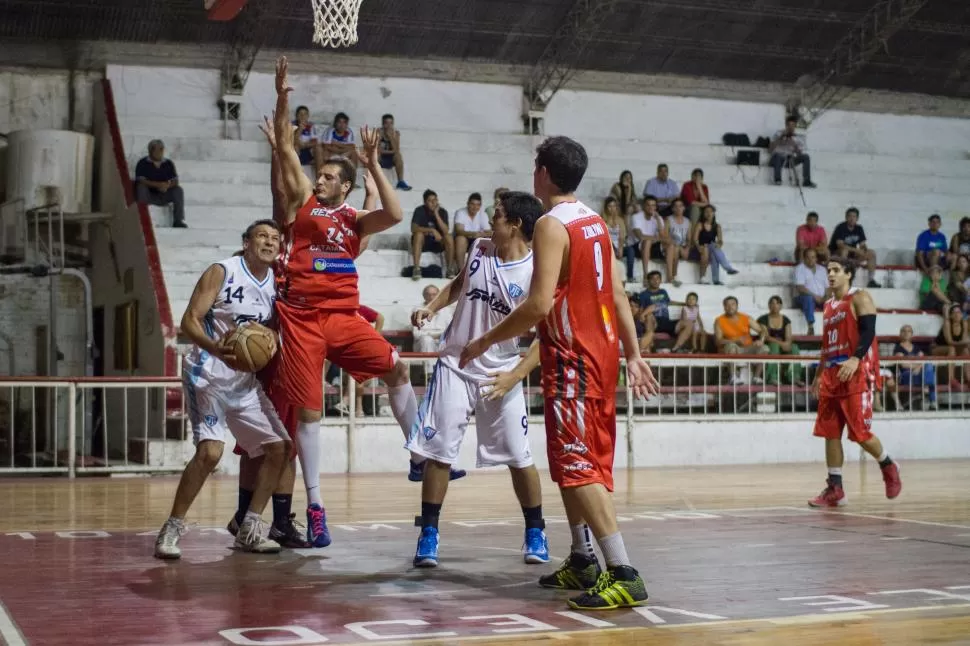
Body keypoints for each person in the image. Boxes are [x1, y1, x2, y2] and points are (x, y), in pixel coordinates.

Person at [460, 136, 660, 610]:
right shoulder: (595, 221)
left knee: (577, 465)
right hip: (599, 353)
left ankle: (623, 571)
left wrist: (485, 340)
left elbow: (538, 304)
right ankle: (582, 557)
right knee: (569, 464)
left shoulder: (551, 225)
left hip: (574, 357)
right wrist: (633, 353)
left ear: (544, 174)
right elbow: (617, 292)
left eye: (535, 167)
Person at [271, 57, 455, 548]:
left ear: (345, 186)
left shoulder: (354, 219)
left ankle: (417, 453)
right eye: (320, 175)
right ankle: (315, 507)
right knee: (311, 417)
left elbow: (394, 213)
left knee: (395, 370)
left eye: (329, 177)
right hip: (303, 320)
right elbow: (287, 149)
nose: (321, 180)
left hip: (344, 318)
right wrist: (283, 97)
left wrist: (374, 162)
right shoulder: (301, 206)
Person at [408, 191, 548, 568]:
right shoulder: (480, 248)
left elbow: (545, 338)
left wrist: (515, 376)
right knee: (439, 453)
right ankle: (429, 533)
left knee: (520, 457)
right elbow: (459, 282)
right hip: (456, 364)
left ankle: (536, 530)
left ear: (515, 224)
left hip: (500, 372)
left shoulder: (536, 272)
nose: (491, 219)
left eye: (498, 215)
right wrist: (431, 306)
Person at [154, 220, 290, 558]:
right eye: (262, 236)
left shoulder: (277, 283)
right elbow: (188, 321)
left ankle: (250, 527)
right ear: (246, 242)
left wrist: (271, 339)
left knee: (280, 449)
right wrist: (216, 348)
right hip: (208, 374)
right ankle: (171, 528)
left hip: (244, 381)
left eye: (275, 238)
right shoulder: (222, 271)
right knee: (210, 453)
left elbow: (272, 330)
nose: (269, 242)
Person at [808, 257, 902, 508]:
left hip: (856, 372)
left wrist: (855, 358)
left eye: (836, 270)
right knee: (829, 432)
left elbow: (869, 331)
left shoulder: (859, 297)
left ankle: (888, 464)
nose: (830, 274)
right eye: (828, 270)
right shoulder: (828, 305)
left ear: (848, 274)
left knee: (860, 434)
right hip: (832, 374)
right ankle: (835, 488)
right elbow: (826, 346)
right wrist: (818, 375)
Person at [714, 296, 771, 384]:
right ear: (724, 307)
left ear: (737, 306)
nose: (730, 307)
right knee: (731, 346)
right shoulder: (719, 320)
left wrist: (761, 340)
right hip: (731, 349)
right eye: (727, 305)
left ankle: (756, 377)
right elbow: (718, 342)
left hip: (748, 348)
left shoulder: (746, 318)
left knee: (764, 348)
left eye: (733, 304)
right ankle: (733, 377)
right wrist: (735, 341)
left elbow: (762, 331)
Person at [135, 139, 186, 227]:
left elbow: (175, 180)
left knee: (178, 190)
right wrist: (158, 185)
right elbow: (141, 180)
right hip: (149, 195)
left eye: (161, 149)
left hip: (164, 193)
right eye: (157, 149)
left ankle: (178, 220)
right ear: (151, 150)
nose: (160, 152)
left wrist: (167, 186)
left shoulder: (168, 163)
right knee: (141, 187)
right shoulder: (142, 163)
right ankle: (142, 219)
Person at [758, 295, 803, 385]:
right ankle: (772, 378)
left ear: (781, 306)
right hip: (769, 345)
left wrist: (787, 344)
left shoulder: (786, 320)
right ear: (769, 305)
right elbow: (766, 336)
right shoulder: (763, 319)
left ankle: (794, 377)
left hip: (782, 345)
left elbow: (789, 337)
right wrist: (781, 344)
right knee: (774, 347)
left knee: (794, 347)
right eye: (772, 303)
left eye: (778, 303)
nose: (775, 306)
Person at [829, 208, 880, 287]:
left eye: (854, 216)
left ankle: (871, 280)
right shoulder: (841, 227)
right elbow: (840, 245)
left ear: (857, 218)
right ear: (846, 217)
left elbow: (862, 244)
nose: (852, 219)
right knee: (844, 251)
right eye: (850, 216)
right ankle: (843, 278)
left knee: (871, 253)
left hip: (852, 255)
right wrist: (856, 250)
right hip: (837, 254)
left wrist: (864, 249)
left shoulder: (859, 228)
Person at [692, 205, 738, 285]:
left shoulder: (717, 226)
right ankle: (727, 269)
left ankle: (714, 279)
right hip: (700, 248)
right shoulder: (700, 224)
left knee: (714, 249)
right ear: (703, 214)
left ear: (713, 213)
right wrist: (699, 247)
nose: (708, 213)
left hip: (711, 248)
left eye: (710, 211)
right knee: (711, 247)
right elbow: (695, 239)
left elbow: (720, 240)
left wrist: (719, 245)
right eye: (706, 212)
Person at [893, 324, 935, 411]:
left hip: (918, 374)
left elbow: (924, 360)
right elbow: (903, 364)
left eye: (908, 331)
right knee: (929, 375)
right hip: (906, 375)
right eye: (904, 331)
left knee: (929, 365)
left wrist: (918, 367)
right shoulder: (898, 348)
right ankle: (929, 395)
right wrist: (918, 365)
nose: (906, 333)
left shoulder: (916, 347)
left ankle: (929, 393)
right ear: (900, 334)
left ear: (912, 334)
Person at [769, 115, 816, 188]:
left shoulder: (797, 137)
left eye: (793, 125)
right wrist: (780, 138)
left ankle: (807, 181)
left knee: (806, 157)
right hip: (777, 159)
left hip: (789, 160)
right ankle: (778, 179)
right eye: (789, 125)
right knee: (777, 155)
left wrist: (794, 145)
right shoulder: (778, 133)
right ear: (786, 126)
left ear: (795, 126)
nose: (791, 127)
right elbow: (770, 149)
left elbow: (799, 153)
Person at [931, 303, 970, 390]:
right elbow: (949, 342)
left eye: (959, 312)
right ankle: (951, 379)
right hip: (938, 348)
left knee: (966, 350)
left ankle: (968, 378)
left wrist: (967, 343)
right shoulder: (947, 323)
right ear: (951, 315)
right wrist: (966, 342)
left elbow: (963, 342)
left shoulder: (964, 323)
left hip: (954, 348)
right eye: (955, 313)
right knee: (952, 349)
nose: (957, 314)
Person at [628, 196, 666, 285]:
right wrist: (656, 238)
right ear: (644, 206)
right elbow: (640, 236)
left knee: (670, 245)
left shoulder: (658, 218)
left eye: (653, 205)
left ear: (656, 207)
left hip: (652, 245)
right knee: (647, 242)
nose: (651, 208)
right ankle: (646, 275)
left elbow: (663, 237)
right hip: (636, 246)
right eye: (648, 205)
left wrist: (658, 220)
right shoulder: (636, 217)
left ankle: (671, 277)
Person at [794, 248, 829, 336]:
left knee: (836, 302)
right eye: (808, 257)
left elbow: (828, 288)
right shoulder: (799, 269)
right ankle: (810, 327)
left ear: (816, 258)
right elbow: (800, 288)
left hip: (821, 299)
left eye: (813, 257)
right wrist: (815, 296)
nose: (810, 260)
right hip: (803, 298)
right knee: (808, 299)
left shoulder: (822, 269)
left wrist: (826, 297)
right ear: (804, 258)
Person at [453, 192, 492, 263]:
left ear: (480, 206)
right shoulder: (460, 212)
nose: (475, 207)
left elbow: (489, 232)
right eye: (472, 204)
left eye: (477, 205)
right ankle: (461, 270)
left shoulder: (483, 214)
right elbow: (459, 230)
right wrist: (473, 234)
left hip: (477, 239)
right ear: (468, 204)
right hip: (464, 239)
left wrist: (480, 235)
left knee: (487, 240)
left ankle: (479, 268)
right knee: (461, 239)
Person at [378, 113, 412, 191]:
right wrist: (391, 151)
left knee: (398, 156)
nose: (389, 126)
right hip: (380, 159)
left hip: (390, 159)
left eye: (391, 123)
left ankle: (400, 181)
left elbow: (396, 150)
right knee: (376, 155)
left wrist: (390, 137)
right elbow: (377, 150)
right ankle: (374, 180)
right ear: (383, 124)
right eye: (387, 123)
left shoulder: (395, 133)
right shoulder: (379, 132)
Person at [663, 198, 693, 287]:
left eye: (680, 206)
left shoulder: (688, 221)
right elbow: (665, 236)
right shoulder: (668, 220)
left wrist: (687, 248)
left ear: (684, 208)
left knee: (676, 248)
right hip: (668, 245)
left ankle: (673, 276)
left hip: (681, 246)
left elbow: (688, 239)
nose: (678, 208)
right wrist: (678, 246)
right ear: (672, 209)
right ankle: (671, 276)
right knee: (673, 247)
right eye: (675, 206)